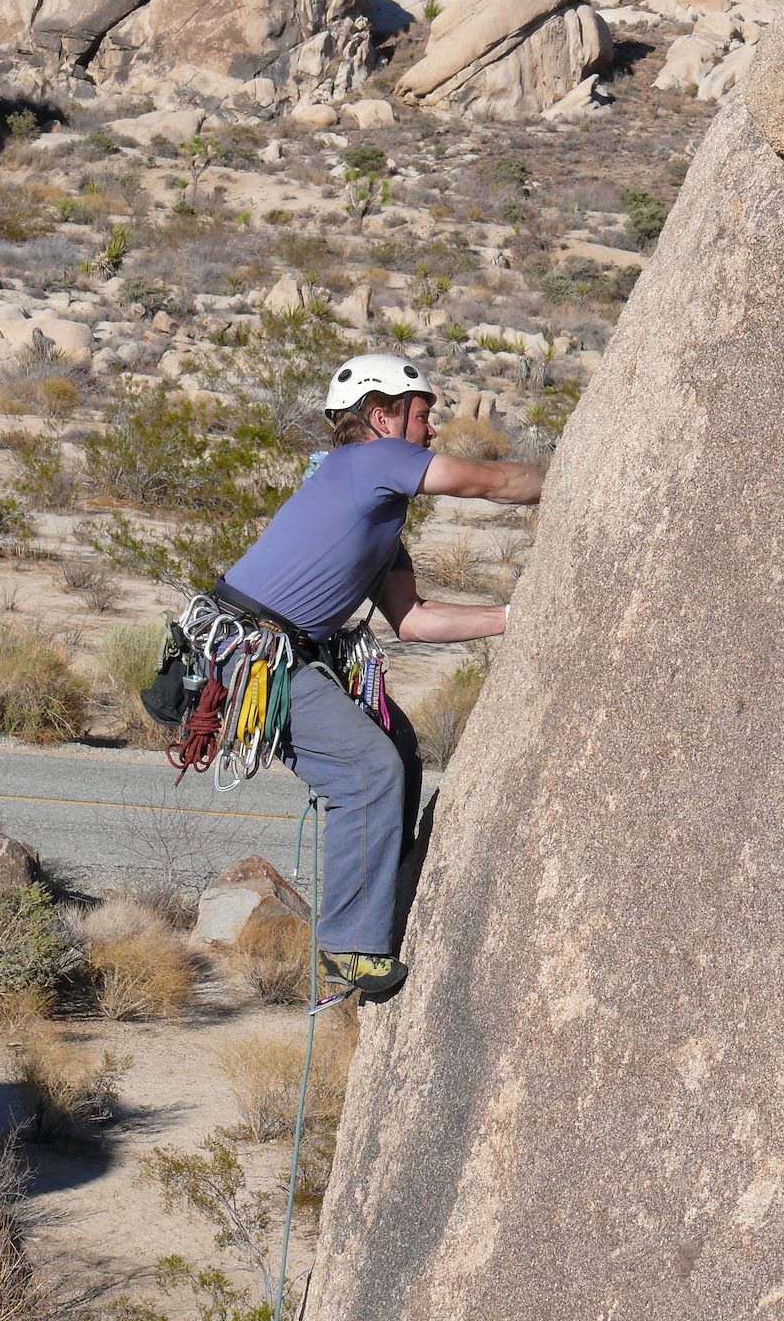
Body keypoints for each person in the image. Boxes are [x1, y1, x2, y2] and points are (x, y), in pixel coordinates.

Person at [215, 353, 544, 996]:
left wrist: (516, 616)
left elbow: (414, 620)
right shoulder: (370, 460)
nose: (431, 428)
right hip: (257, 656)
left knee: (397, 749)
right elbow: (490, 484)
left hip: (278, 655)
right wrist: (582, 475)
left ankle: (374, 912)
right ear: (382, 415)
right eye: (423, 414)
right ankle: (348, 947)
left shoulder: (381, 518)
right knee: (367, 770)